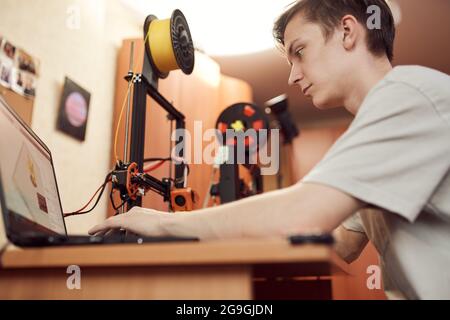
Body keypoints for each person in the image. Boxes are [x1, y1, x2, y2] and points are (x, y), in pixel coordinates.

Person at [89, 0, 450, 299]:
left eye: (300, 52)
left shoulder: (408, 95)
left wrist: (164, 224)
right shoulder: (380, 126)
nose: (292, 76)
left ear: (347, 31)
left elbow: (304, 215)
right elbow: (340, 242)